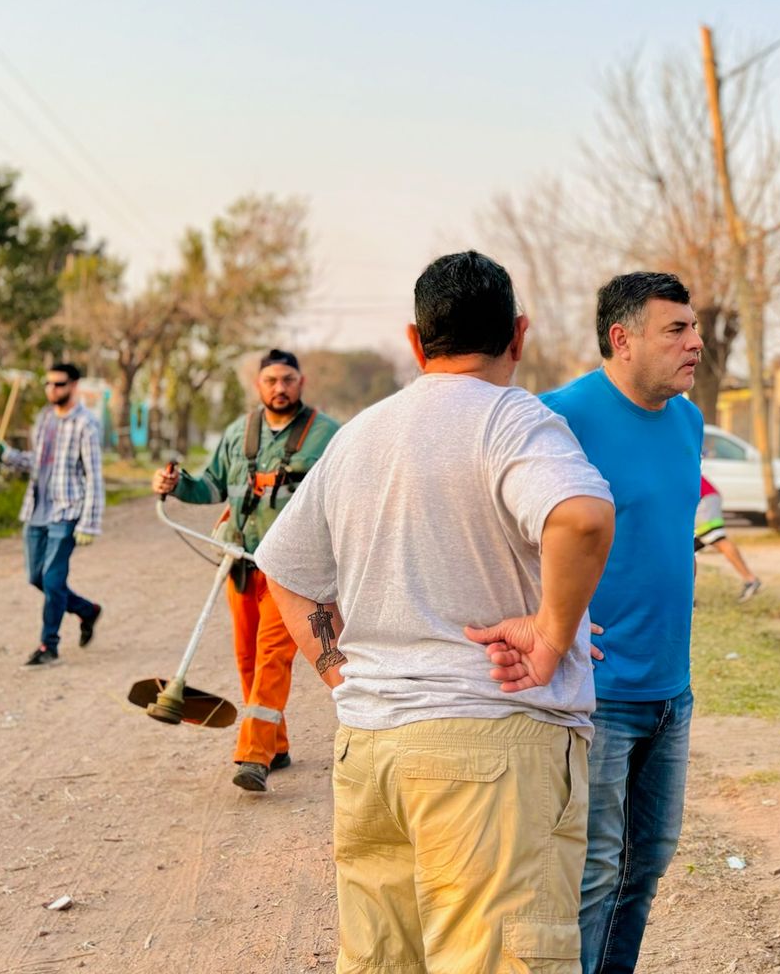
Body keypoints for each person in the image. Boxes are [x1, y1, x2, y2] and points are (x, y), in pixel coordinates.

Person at [257, 251, 615, 974]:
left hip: (373, 752)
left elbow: (283, 568)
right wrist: (550, 636)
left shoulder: (360, 433)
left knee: (384, 961)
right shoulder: (514, 420)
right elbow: (581, 519)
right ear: (519, 336)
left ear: (417, 343)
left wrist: (339, 671)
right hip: (491, 749)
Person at [541, 271, 705, 974]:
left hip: (673, 690)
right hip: (595, 695)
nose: (696, 342)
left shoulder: (690, 420)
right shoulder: (558, 418)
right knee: (595, 872)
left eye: (694, 328)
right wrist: (548, 619)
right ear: (622, 338)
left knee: (647, 868)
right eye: (677, 329)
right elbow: (507, 533)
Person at [152, 349, 340, 794]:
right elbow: (212, 486)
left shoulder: (327, 437)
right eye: (272, 379)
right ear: (259, 384)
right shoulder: (239, 434)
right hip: (240, 565)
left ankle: (253, 757)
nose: (280, 387)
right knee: (248, 659)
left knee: (273, 657)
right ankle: (275, 745)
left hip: (291, 572)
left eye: (288, 379)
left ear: (302, 381)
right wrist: (177, 485)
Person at [0, 362, 105, 668]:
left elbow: (94, 476)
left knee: (53, 581)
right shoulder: (43, 419)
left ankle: (48, 645)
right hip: (36, 511)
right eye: (48, 384)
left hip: (66, 512)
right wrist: (6, 455)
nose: (52, 390)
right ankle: (86, 609)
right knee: (36, 577)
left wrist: (89, 522)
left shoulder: (86, 424)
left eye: (59, 384)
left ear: (74, 386)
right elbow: (37, 463)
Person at [695, 473, 762, 602]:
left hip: (703, 498)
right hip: (702, 496)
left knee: (716, 538)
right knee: (689, 548)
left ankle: (750, 579)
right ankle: (687, 597)